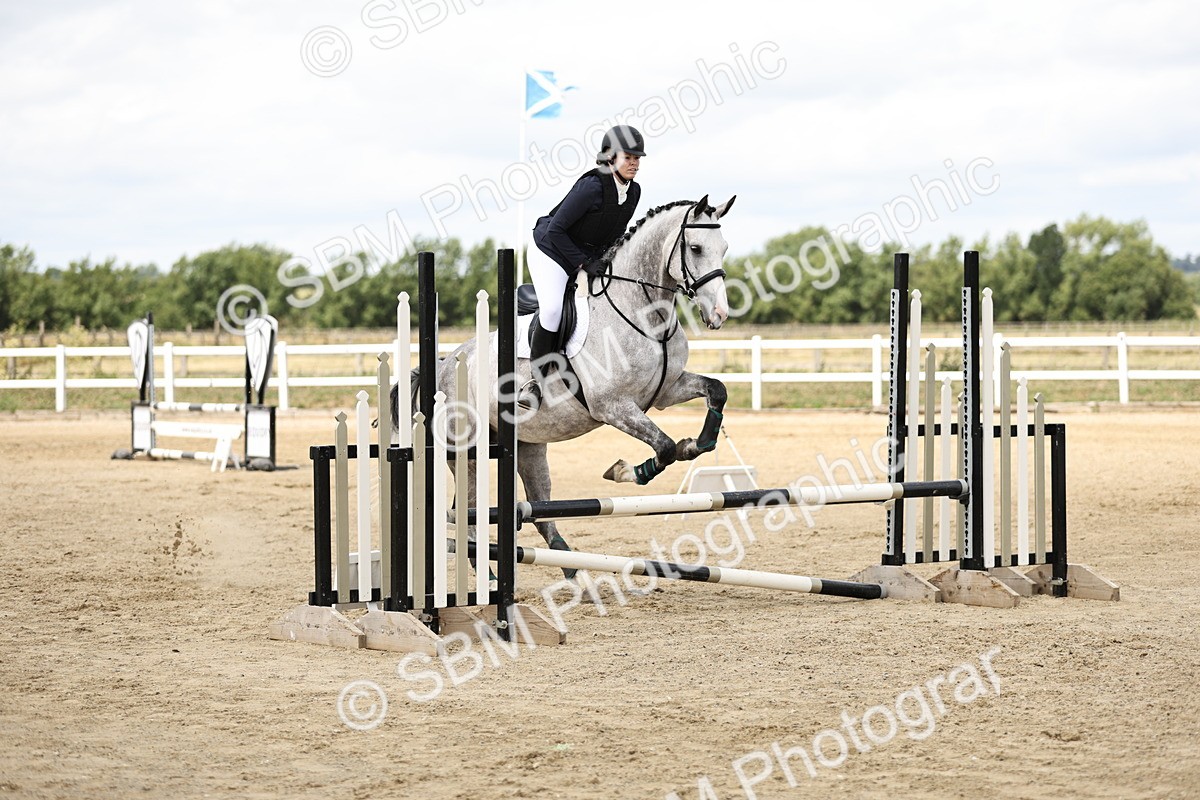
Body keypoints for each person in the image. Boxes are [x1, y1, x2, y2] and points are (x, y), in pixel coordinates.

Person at [522, 124, 645, 408]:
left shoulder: (633, 192)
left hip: (583, 257)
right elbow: (556, 230)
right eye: (629, 157)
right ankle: (534, 382)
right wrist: (583, 263)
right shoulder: (591, 187)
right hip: (550, 252)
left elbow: (614, 235)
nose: (635, 163)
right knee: (552, 310)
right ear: (610, 157)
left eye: (637, 158)